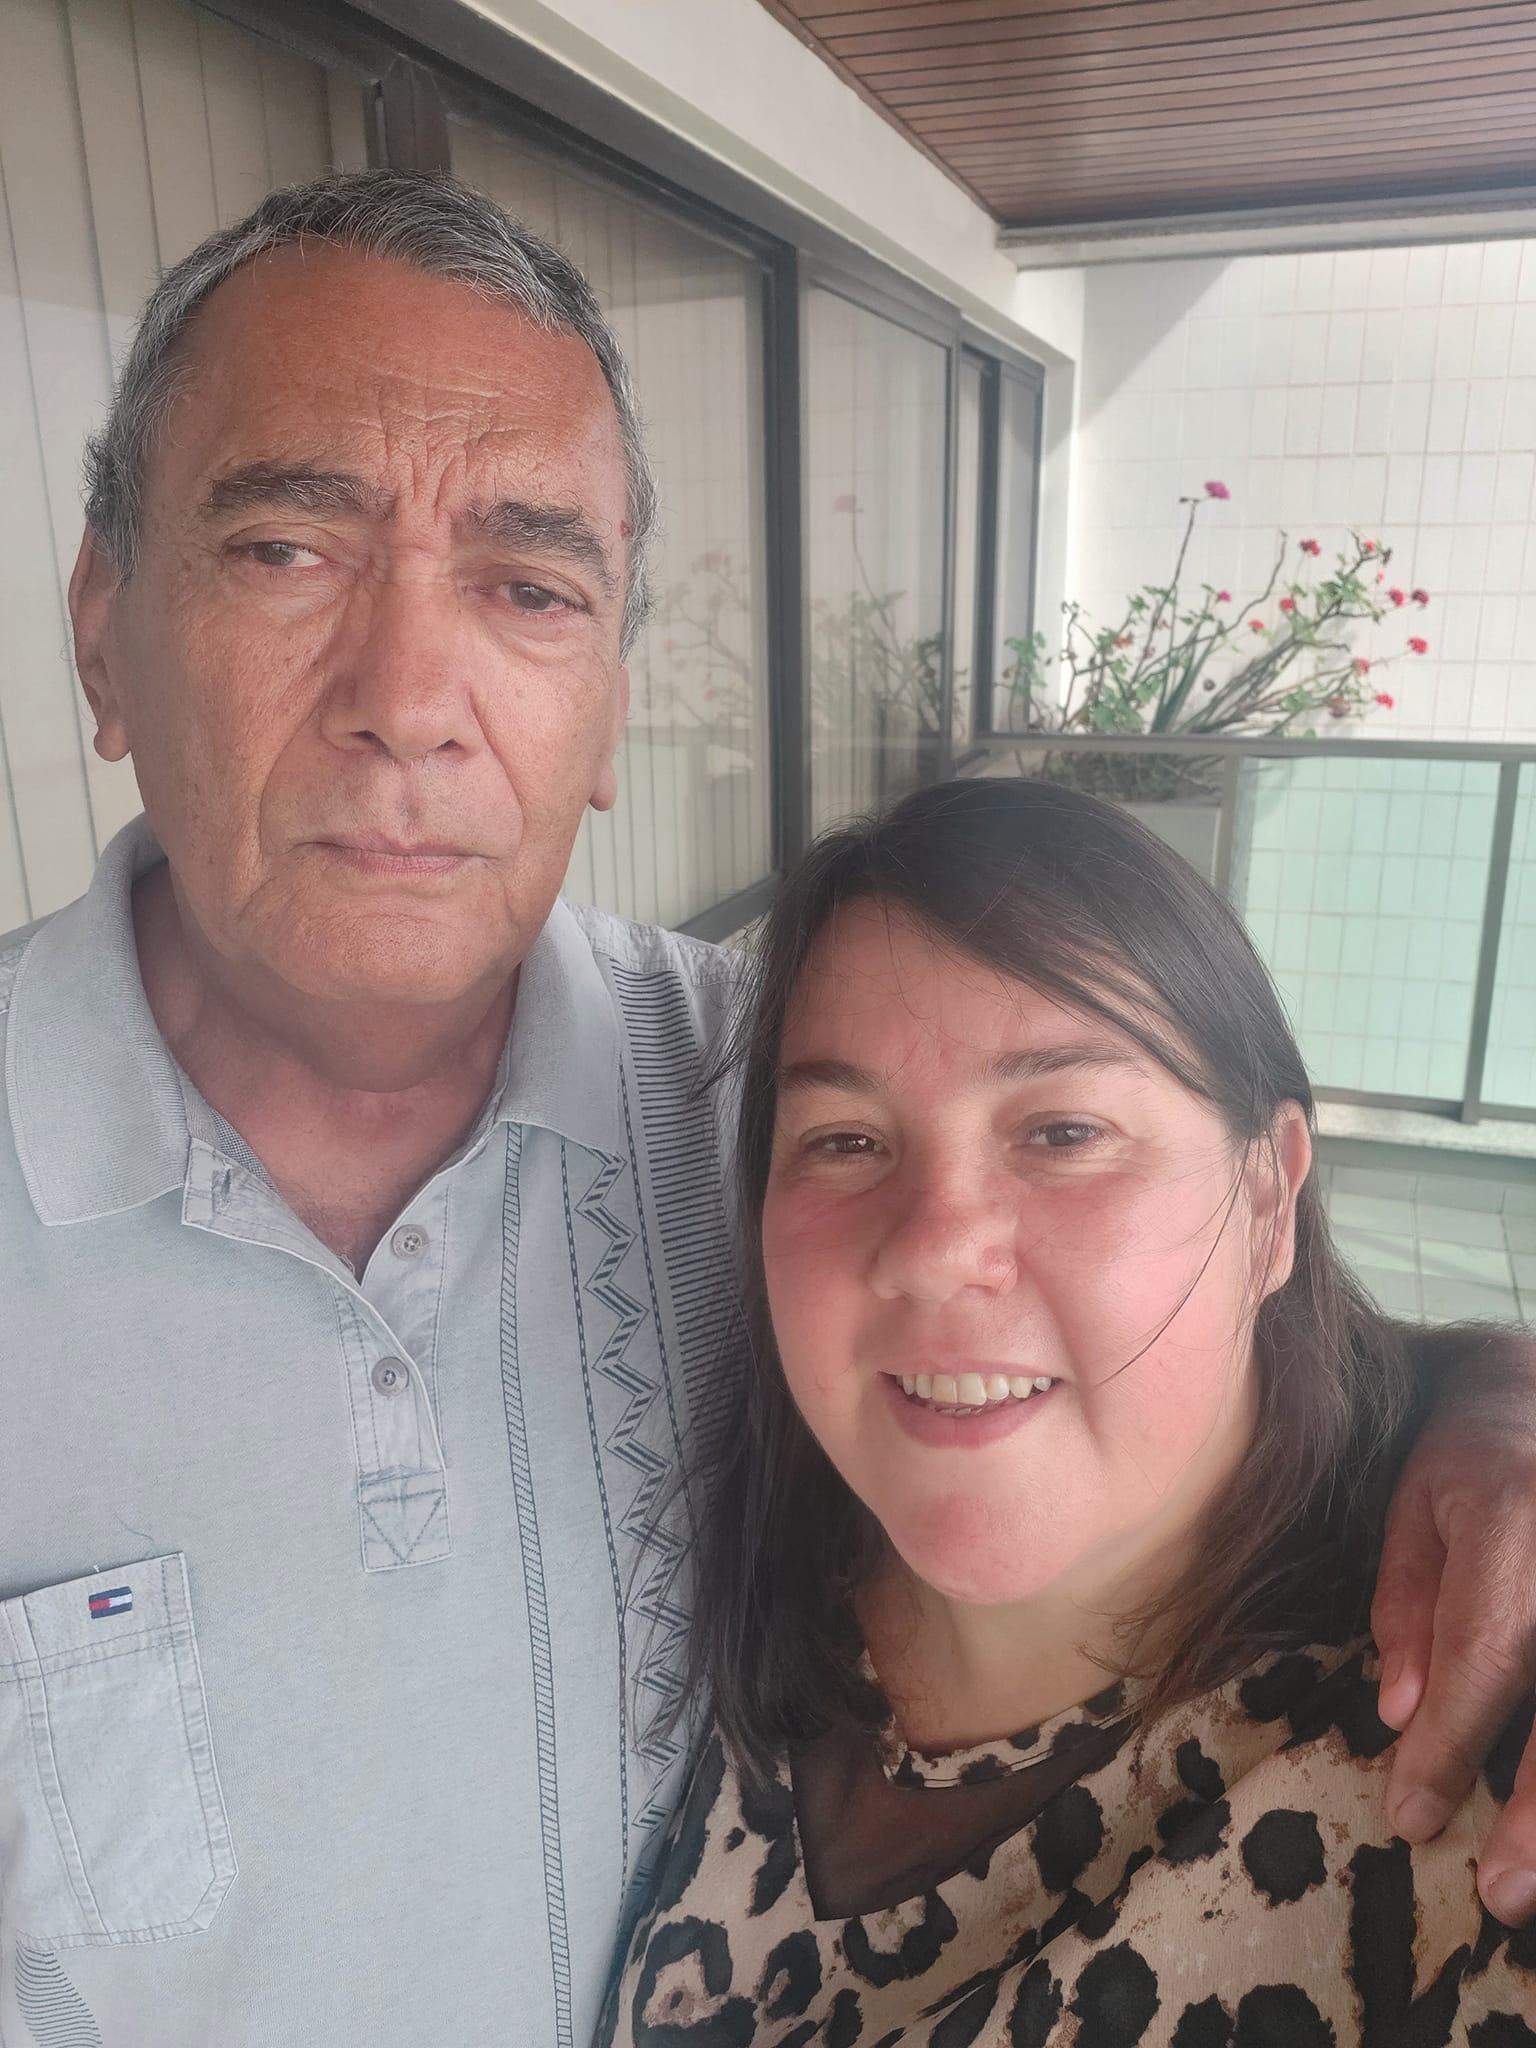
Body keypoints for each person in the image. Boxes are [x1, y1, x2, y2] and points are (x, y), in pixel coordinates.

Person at [0, 168, 1531, 2047]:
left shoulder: (763, 1098)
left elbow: (1212, 1318)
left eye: (530, 587)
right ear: (101, 629)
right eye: (285, 549)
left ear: (607, 706)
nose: (408, 698)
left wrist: (1494, 1406)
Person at [609, 778, 1536, 2045]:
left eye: (1062, 1130)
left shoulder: (1463, 1779)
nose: (935, 1247)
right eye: (845, 1139)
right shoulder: (711, 1566)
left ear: (1270, 1199)